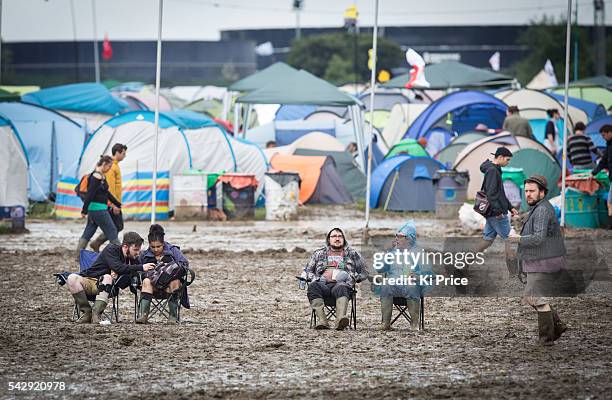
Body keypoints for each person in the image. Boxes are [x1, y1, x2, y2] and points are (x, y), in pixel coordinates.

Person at [509, 174, 567, 345]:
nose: (528, 194)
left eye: (532, 191)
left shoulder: (542, 209)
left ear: (542, 192)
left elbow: (538, 239)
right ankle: (557, 325)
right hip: (541, 259)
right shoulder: (539, 207)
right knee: (534, 296)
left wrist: (517, 239)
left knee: (534, 297)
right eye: (526, 191)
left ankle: (547, 338)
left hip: (545, 261)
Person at [66, 232, 155, 323]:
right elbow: (118, 267)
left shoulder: (132, 259)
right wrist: (141, 267)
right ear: (125, 246)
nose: (138, 253)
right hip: (90, 280)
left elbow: (124, 282)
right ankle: (87, 313)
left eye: (139, 250)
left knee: (108, 277)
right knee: (71, 278)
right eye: (135, 249)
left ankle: (96, 315)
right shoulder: (111, 249)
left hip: (106, 286)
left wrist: (119, 275)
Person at [303, 228, 366, 330]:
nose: (337, 239)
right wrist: (317, 279)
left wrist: (353, 278)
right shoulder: (318, 253)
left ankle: (340, 320)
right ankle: (323, 322)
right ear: (329, 239)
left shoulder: (353, 253)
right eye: (334, 236)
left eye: (340, 236)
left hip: (342, 286)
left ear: (344, 239)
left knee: (342, 286)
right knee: (313, 286)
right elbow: (308, 271)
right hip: (323, 286)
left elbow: (364, 272)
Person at [374, 221, 432, 331]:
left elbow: (429, 275)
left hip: (412, 286)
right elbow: (379, 269)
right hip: (393, 285)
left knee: (411, 285)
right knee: (385, 284)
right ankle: (386, 323)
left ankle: (414, 324)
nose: (396, 239)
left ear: (409, 239)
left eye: (400, 237)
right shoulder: (391, 253)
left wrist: (417, 276)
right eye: (396, 236)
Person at [136, 224, 189, 324]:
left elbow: (184, 264)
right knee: (146, 281)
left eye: (159, 246)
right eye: (153, 247)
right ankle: (143, 315)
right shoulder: (144, 255)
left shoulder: (173, 251)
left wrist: (169, 267)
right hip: (152, 287)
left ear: (163, 243)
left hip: (170, 287)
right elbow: (137, 269)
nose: (156, 249)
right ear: (149, 244)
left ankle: (173, 316)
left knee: (175, 281)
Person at [76, 155, 123, 259]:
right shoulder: (95, 177)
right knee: (112, 231)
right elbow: (90, 195)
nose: (109, 169)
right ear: (104, 164)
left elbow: (107, 194)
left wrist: (117, 203)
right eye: (109, 166)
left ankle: (78, 255)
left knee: (89, 232)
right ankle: (121, 256)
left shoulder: (101, 177)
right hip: (99, 210)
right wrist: (84, 210)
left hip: (95, 210)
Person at [475, 147, 519, 254]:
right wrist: (498, 212)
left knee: (487, 241)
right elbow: (491, 194)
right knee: (510, 240)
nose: (508, 162)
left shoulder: (494, 170)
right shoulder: (493, 171)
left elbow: (500, 193)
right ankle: (514, 270)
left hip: (492, 213)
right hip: (496, 213)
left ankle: (461, 265)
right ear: (500, 157)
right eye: (507, 160)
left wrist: (510, 207)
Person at [90, 143, 127, 252]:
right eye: (123, 153)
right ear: (117, 153)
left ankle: (97, 243)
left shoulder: (115, 165)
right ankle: (110, 247)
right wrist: (113, 204)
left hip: (115, 202)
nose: (125, 156)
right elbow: (109, 187)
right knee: (116, 226)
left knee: (117, 226)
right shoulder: (112, 167)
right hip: (111, 204)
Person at [592, 124, 612, 229]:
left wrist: (594, 172)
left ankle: (610, 225)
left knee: (610, 201)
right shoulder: (608, 145)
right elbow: (604, 161)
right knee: (609, 201)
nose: (603, 137)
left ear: (610, 132)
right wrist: (593, 173)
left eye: (604, 135)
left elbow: (603, 161)